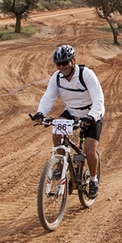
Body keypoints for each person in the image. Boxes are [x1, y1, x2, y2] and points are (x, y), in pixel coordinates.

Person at [31, 45, 105, 199]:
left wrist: (91, 116)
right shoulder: (57, 78)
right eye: (58, 64)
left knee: (90, 150)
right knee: (57, 132)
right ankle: (60, 162)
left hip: (91, 112)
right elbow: (49, 97)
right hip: (72, 112)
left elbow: (98, 99)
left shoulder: (87, 75)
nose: (62, 67)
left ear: (73, 61)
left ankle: (93, 180)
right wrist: (41, 113)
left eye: (65, 63)